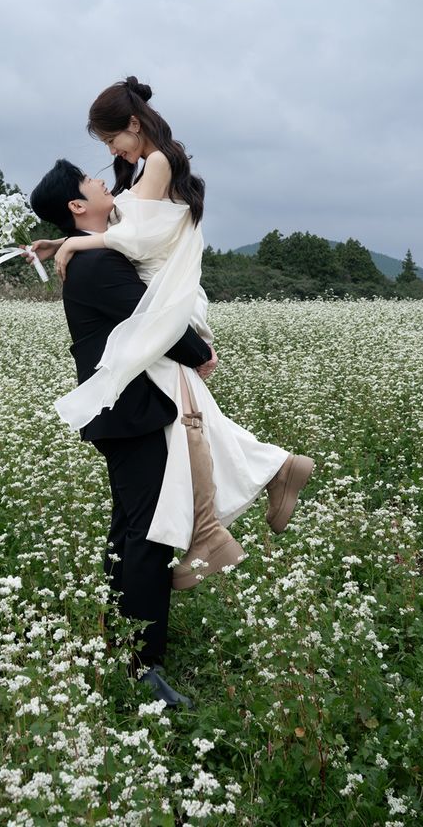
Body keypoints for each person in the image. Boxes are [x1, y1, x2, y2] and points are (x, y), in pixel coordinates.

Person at [30, 77, 314, 590]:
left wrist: (77, 246)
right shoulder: (142, 170)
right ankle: (242, 500)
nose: (107, 157)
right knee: (195, 421)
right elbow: (112, 224)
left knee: (192, 426)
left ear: (132, 125)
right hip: (162, 297)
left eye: (109, 140)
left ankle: (235, 507)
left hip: (169, 292)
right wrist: (66, 241)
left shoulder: (156, 163)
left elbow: (137, 234)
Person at [29, 158, 216, 707]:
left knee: (131, 526)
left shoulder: (95, 253)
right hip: (128, 413)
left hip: (125, 413)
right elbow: (149, 321)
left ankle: (124, 643)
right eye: (90, 181)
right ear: (76, 207)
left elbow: (137, 177)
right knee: (146, 531)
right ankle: (142, 666)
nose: (105, 182)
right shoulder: (96, 266)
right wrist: (199, 352)